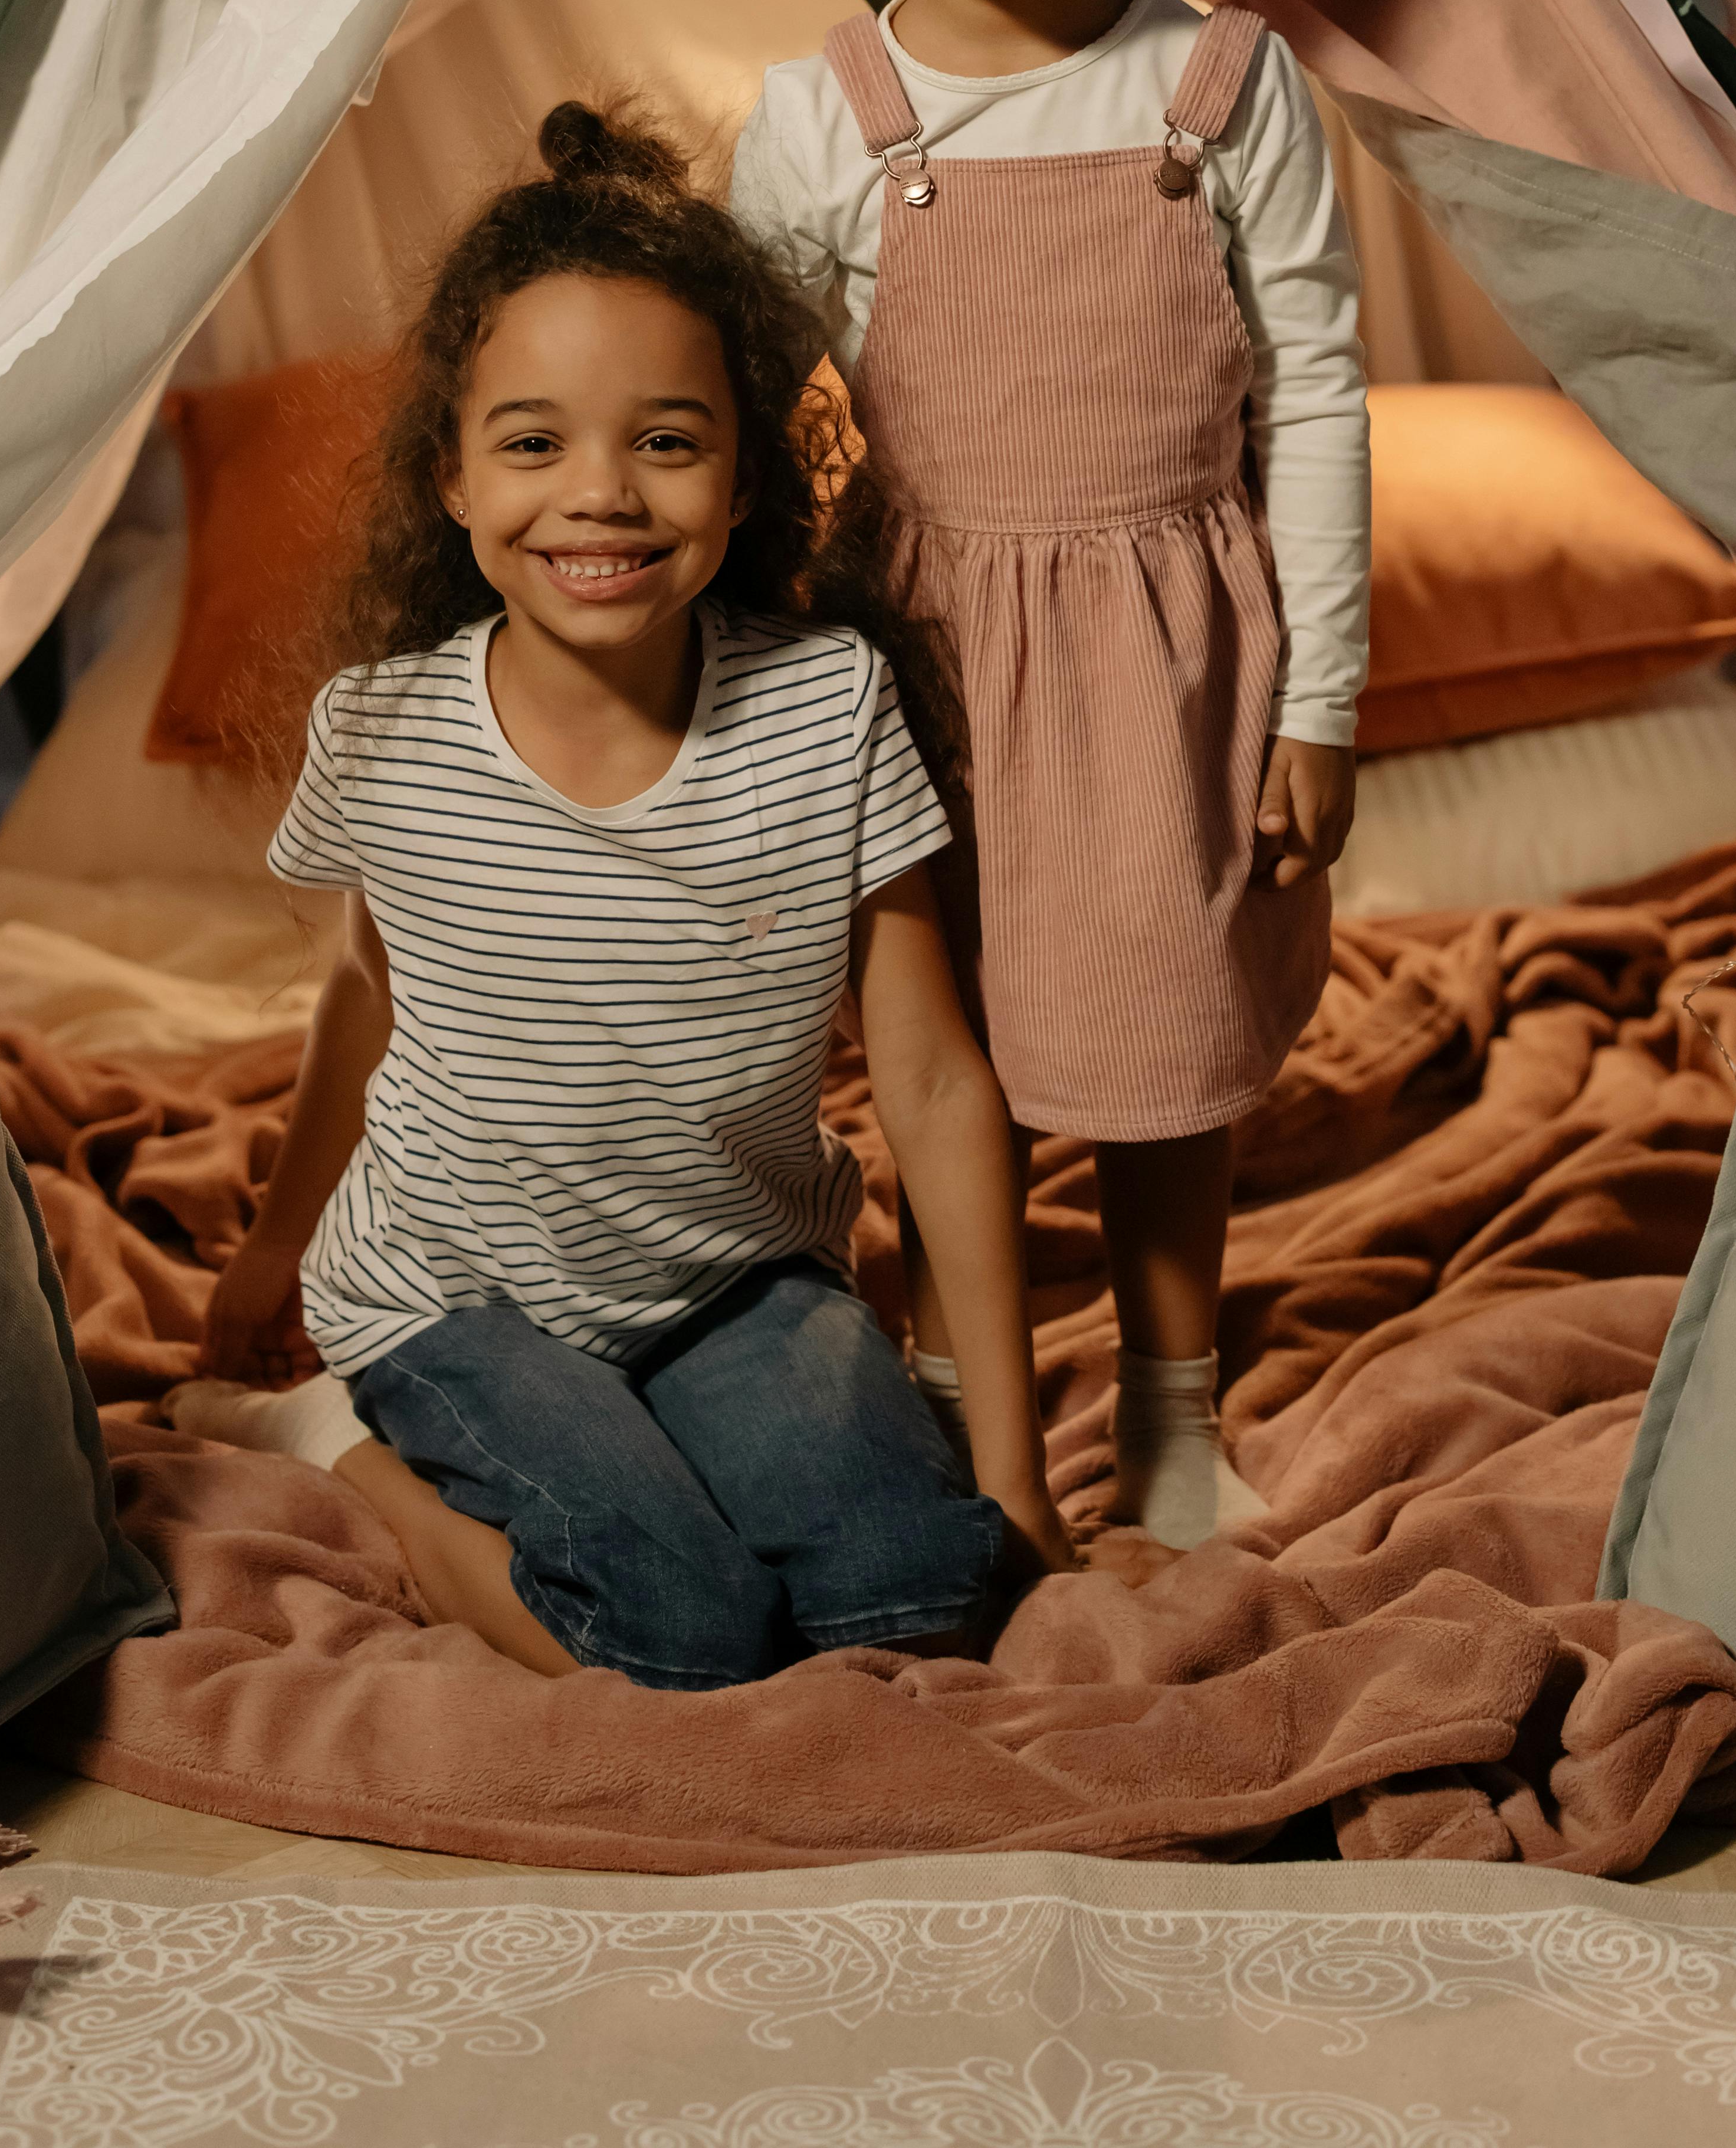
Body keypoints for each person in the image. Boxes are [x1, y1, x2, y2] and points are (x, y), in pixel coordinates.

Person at [169, 99, 1074, 1689]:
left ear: (744, 477)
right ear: (450, 477)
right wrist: (271, 1251)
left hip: (738, 1280)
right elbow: (369, 1001)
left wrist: (1013, 1475)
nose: (601, 494)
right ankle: (334, 1442)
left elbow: (930, 1080)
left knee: (929, 1596)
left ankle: (691, 1443)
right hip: (455, 1293)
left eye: (666, 440)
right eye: (534, 442)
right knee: (677, 1637)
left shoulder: (827, 706)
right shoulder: (388, 734)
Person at [733, 0, 1370, 1549]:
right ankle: (954, 1390)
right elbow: (737, 420)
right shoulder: (830, 118)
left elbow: (1323, 398)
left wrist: (1321, 698)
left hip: (1169, 659)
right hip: (914, 667)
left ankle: (1180, 1419)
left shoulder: (1219, 83)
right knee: (953, 1067)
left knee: (1162, 1057)